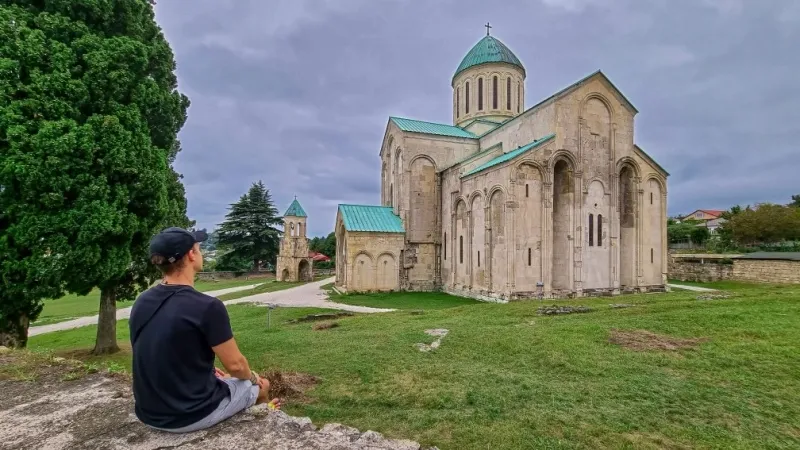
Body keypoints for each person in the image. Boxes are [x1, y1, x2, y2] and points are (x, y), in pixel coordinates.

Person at [129, 227, 280, 433]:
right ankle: (266, 420)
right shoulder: (208, 306)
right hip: (189, 416)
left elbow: (161, 349)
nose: (200, 253)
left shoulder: (142, 301)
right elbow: (236, 366)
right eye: (198, 248)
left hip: (149, 414)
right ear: (192, 255)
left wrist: (207, 372)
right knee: (261, 385)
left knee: (227, 379)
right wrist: (253, 378)